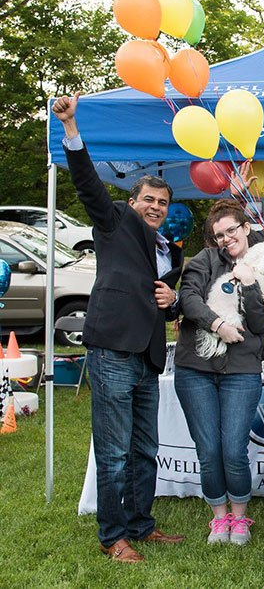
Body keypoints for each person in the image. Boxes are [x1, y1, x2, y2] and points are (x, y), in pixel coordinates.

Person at [52, 93, 184, 563]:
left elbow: (164, 302)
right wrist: (71, 130)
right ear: (133, 202)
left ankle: (140, 525)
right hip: (110, 351)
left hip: (149, 355)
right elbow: (88, 185)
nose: (154, 207)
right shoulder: (114, 224)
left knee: (146, 449)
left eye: (162, 202)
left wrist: (172, 303)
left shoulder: (171, 248)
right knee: (113, 453)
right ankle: (113, 537)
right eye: (148, 200)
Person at [174, 199, 264, 545]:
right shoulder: (205, 261)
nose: (225, 238)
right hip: (196, 367)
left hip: (241, 368)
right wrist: (216, 323)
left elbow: (262, 322)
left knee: (233, 448)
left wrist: (250, 284)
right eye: (218, 234)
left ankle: (240, 517)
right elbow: (188, 299)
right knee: (208, 448)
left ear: (245, 228)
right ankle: (219, 518)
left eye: (231, 230)